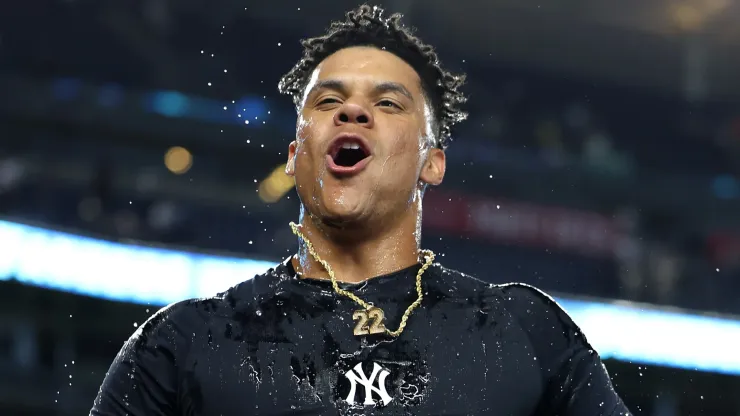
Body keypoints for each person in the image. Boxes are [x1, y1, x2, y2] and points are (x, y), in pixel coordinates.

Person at [90, 4, 631, 415]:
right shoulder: (182, 344)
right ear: (295, 154)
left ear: (432, 162)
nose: (352, 110)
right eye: (328, 101)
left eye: (388, 103)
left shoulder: (529, 334)